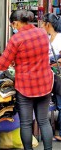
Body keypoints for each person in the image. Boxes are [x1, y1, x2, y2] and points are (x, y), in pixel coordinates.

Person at [0, 9, 53, 150]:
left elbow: (2, 65)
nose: (13, 28)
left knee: (26, 123)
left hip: (26, 87)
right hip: (45, 83)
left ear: (15, 23)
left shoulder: (16, 39)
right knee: (44, 121)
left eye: (12, 25)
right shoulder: (42, 33)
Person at [42, 13, 61, 141]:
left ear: (48, 24)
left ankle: (59, 132)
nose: (42, 26)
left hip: (58, 75)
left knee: (60, 104)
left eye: (43, 23)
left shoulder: (60, 38)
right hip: (48, 75)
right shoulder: (46, 38)